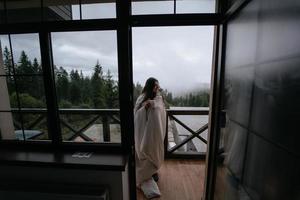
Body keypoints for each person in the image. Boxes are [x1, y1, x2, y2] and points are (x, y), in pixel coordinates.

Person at [134, 77, 166, 199]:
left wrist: (153, 104)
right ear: (150, 86)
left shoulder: (158, 97)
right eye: (155, 86)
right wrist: (144, 108)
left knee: (152, 151)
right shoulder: (141, 98)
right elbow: (136, 114)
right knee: (143, 152)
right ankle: (146, 175)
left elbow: (161, 109)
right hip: (142, 132)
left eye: (158, 86)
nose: (157, 88)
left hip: (153, 132)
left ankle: (152, 172)